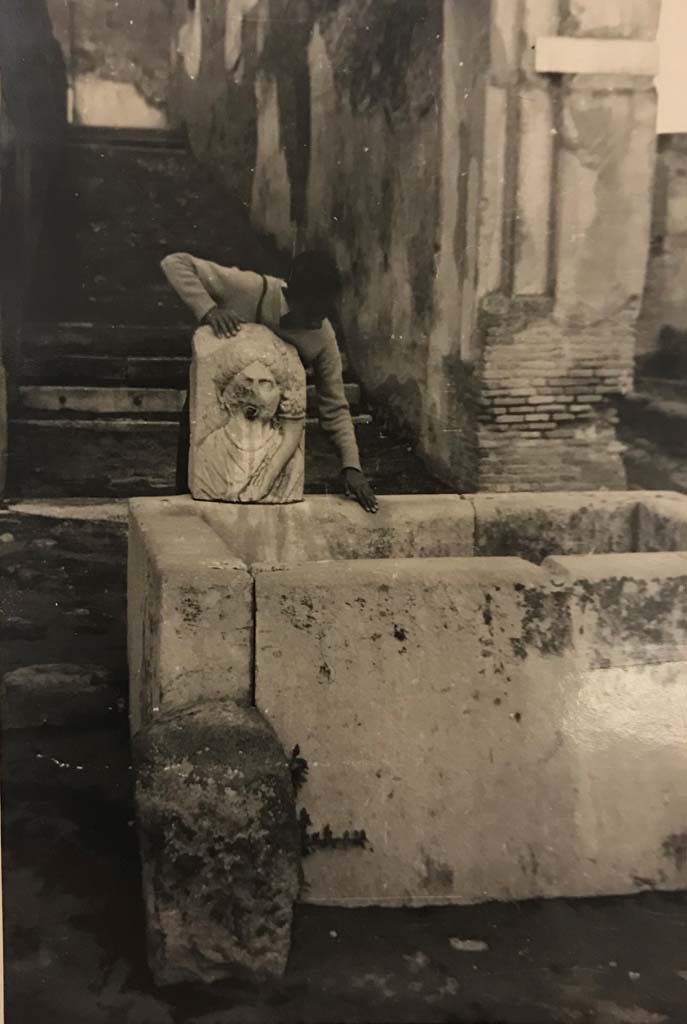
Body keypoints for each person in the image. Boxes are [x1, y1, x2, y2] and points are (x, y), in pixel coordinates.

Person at [161, 249, 378, 513]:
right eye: (309, 311)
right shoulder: (252, 289)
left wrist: (351, 465)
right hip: (216, 409)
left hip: (274, 424)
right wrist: (209, 310)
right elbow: (175, 263)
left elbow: (334, 407)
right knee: (198, 488)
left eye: (322, 312)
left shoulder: (322, 336)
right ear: (290, 294)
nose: (314, 321)